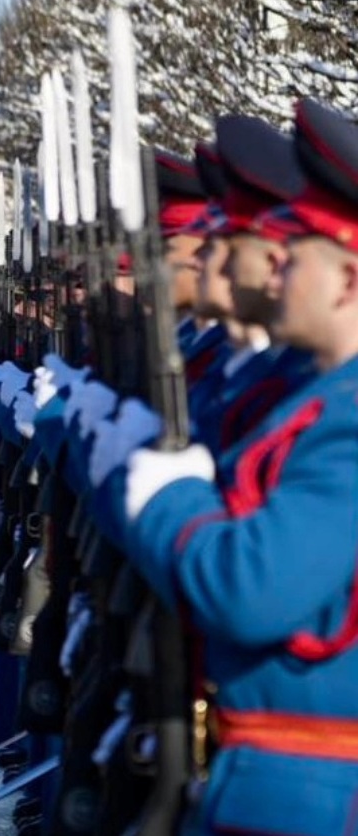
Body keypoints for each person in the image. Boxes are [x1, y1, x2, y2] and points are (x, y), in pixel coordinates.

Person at [108, 99, 358, 834]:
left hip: (309, 789)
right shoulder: (324, 398)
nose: (271, 274)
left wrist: (166, 501)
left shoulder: (343, 414)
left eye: (291, 255)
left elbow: (250, 587)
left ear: (346, 278)